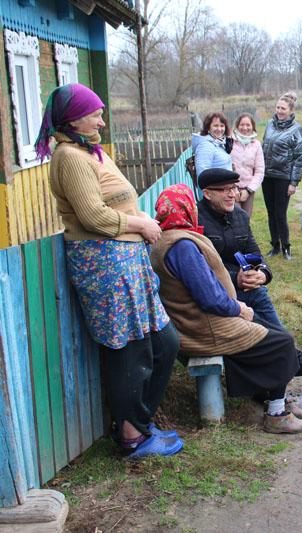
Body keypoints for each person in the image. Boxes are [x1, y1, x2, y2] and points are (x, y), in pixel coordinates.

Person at [36, 83, 182, 459]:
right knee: (128, 352)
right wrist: (141, 226)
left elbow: (118, 203)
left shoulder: (92, 151)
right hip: (103, 263)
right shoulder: (69, 157)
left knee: (164, 343)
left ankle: (141, 422)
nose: (102, 118)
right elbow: (93, 216)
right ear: (74, 119)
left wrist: (141, 219)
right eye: (95, 113)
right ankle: (132, 435)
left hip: (127, 261)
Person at [151, 183, 302, 434]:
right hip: (205, 328)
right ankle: (277, 414)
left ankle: (277, 402)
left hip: (194, 324)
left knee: (268, 330)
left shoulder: (165, 239)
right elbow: (209, 298)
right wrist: (238, 309)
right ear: (185, 209)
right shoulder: (182, 246)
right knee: (281, 342)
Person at [196, 168, 302, 378]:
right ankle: (292, 363)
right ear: (207, 193)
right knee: (266, 333)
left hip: (246, 289)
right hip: (216, 296)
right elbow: (201, 270)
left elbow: (255, 254)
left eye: (234, 188)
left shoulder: (239, 216)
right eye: (224, 190)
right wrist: (235, 279)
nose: (232, 194)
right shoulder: (196, 221)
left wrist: (263, 274)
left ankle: (290, 360)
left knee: (260, 296)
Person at [261, 92, 302, 260]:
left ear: (290, 110)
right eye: (278, 107)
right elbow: (263, 147)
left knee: (280, 213)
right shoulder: (269, 125)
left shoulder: (297, 129)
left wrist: (294, 182)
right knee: (270, 213)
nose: (279, 111)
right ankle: (275, 245)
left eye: (283, 108)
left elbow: (299, 157)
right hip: (267, 176)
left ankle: (286, 246)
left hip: (283, 177)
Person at [230, 113, 264, 216]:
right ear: (237, 126)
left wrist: (248, 191)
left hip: (248, 189)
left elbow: (260, 170)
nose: (245, 128)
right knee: (234, 219)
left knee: (245, 219)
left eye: (248, 125)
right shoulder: (230, 142)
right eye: (242, 125)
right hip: (231, 189)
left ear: (253, 127)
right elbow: (226, 166)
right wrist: (233, 188)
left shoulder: (256, 145)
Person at [192, 112, 233, 178]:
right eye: (215, 126)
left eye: (222, 126)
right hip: (216, 187)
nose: (219, 129)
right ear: (208, 127)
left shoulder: (219, 143)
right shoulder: (205, 146)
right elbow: (203, 175)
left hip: (224, 186)